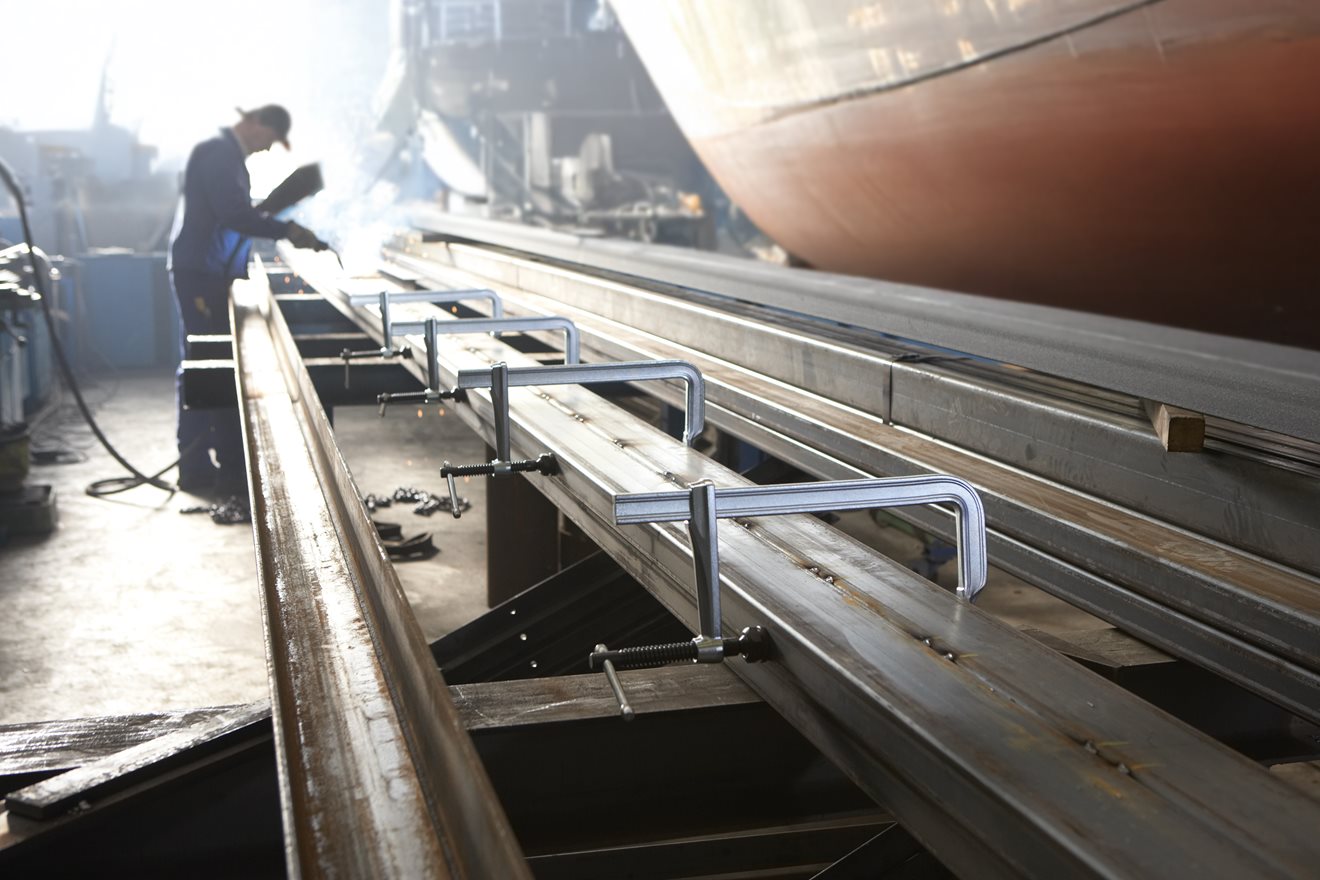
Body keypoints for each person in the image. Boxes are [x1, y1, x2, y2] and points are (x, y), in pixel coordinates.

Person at [168, 104, 325, 495]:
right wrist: (286, 230)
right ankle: (196, 467)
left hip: (209, 271)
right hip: (201, 274)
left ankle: (221, 461)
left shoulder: (227, 155)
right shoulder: (219, 153)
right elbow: (234, 214)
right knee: (206, 366)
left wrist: (273, 217)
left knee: (214, 365)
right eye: (269, 139)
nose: (267, 149)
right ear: (255, 122)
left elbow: (235, 212)